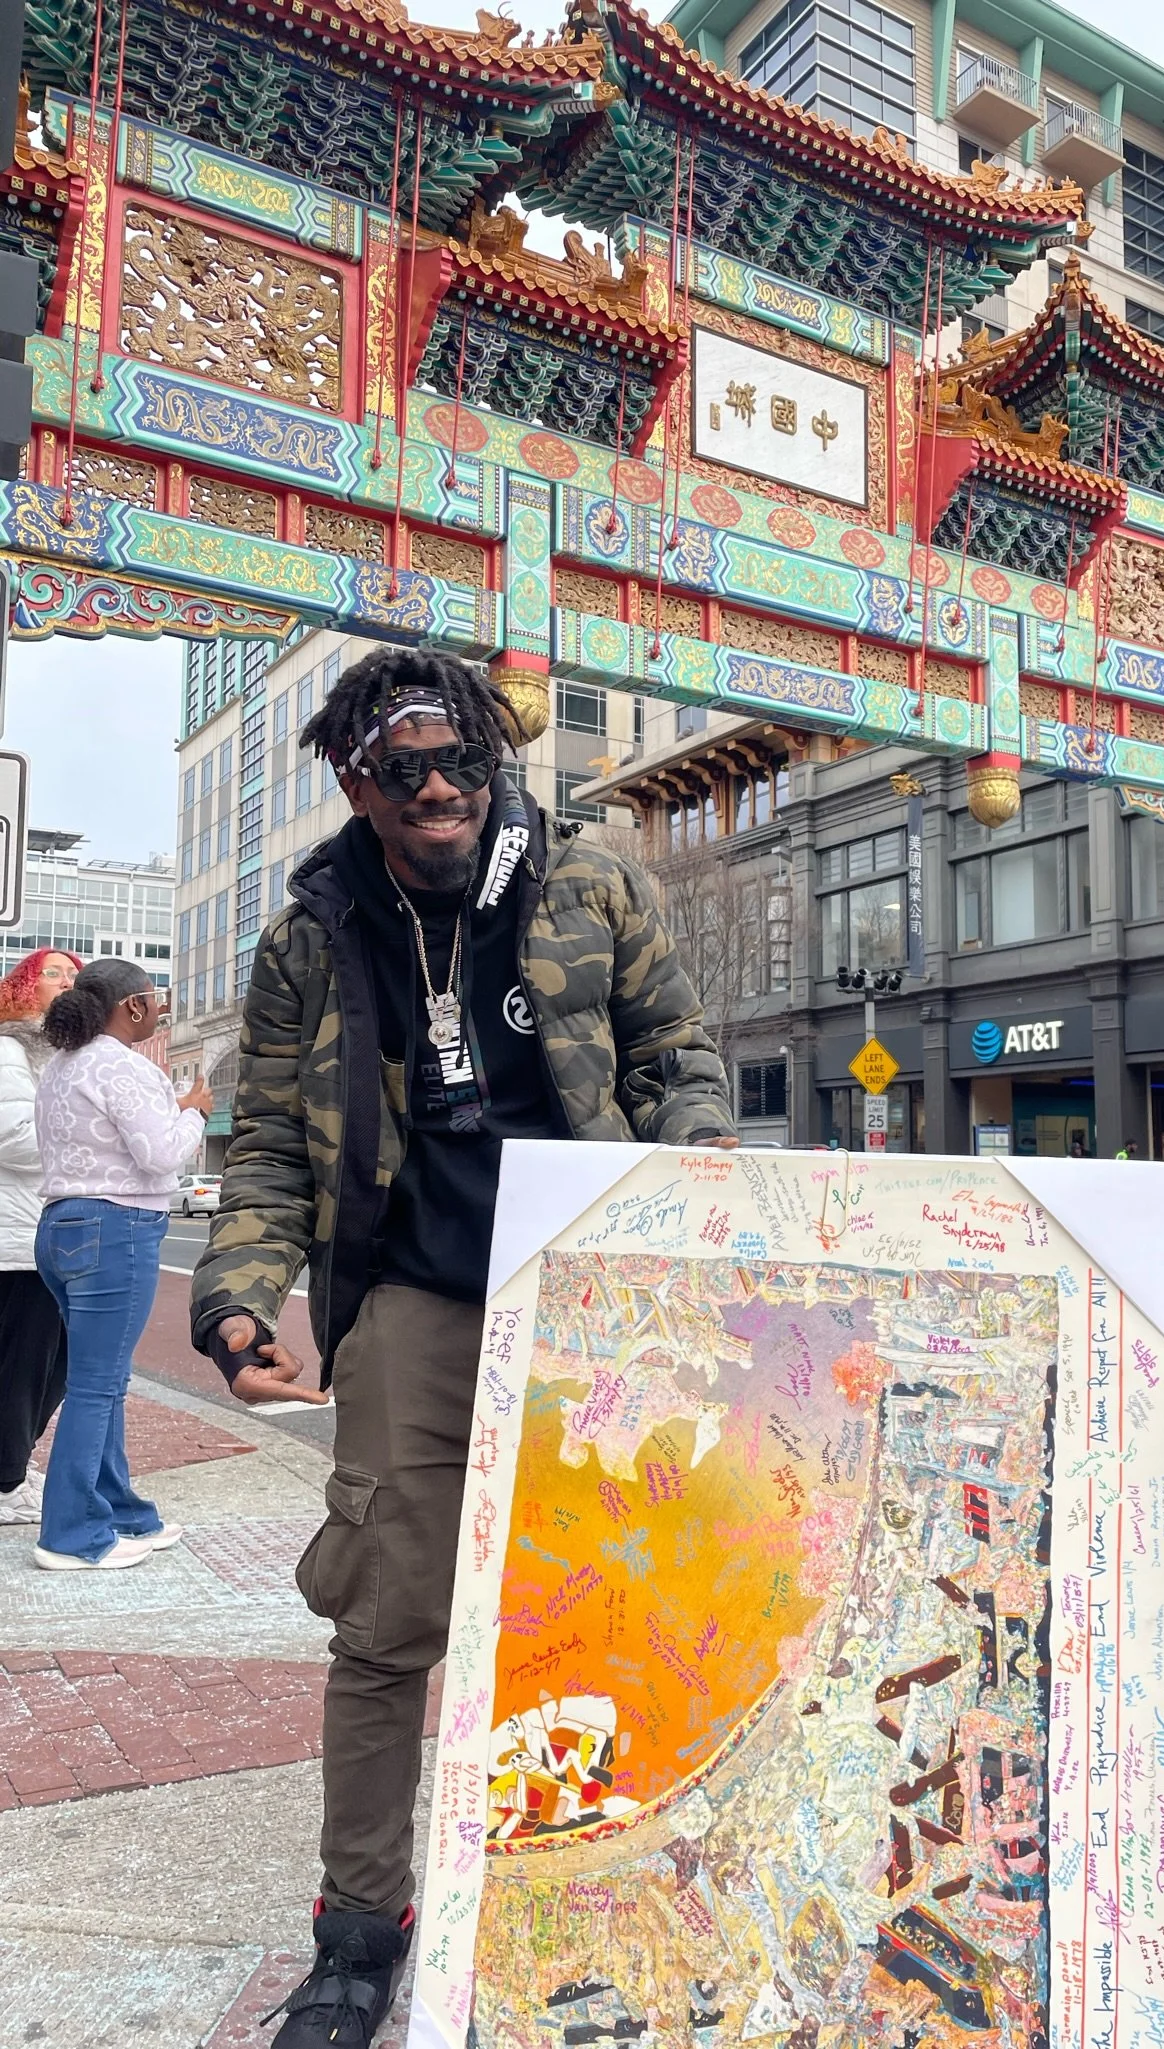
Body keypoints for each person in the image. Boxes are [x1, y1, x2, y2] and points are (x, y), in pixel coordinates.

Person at [189, 646, 735, 2047]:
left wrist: (697, 1170)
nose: (436, 790)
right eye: (402, 769)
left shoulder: (592, 882)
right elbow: (268, 1146)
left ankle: (621, 1893)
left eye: (460, 763)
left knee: (627, 1608)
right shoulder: (309, 936)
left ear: (494, 760)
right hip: (413, 1296)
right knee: (385, 1622)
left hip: (595, 1295)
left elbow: (677, 1052)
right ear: (354, 782)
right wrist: (237, 1303)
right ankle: (359, 1932)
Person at [33, 960, 210, 1570]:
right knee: (97, 1386)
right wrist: (195, 1112)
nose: (161, 1009)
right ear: (133, 1005)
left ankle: (124, 1513)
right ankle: (71, 1536)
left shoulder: (61, 1066)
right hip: (116, 1228)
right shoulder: (124, 1066)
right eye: (157, 999)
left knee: (102, 1381)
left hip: (60, 1226)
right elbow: (160, 1156)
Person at [0, 949, 80, 1523]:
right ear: (23, 986)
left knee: (56, 1365)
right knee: (24, 1366)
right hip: (18, 1236)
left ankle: (11, 1463)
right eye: (54, 973)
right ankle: (5, 1483)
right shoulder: (9, 1049)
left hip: (51, 1235)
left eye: (75, 975)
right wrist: (90, 1138)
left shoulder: (62, 1054)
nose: (68, 981)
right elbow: (13, 1138)